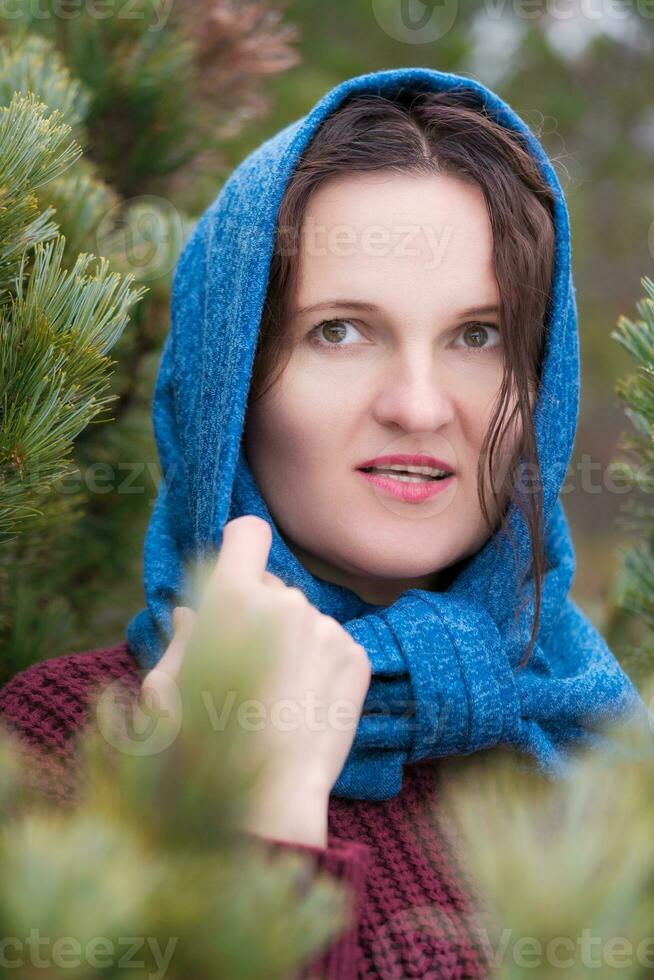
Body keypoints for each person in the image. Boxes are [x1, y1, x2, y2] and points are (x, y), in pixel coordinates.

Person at [1, 67, 646, 978]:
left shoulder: (604, 755)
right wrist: (254, 823)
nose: (421, 408)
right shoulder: (62, 756)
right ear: (228, 390)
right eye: (340, 331)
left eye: (479, 335)